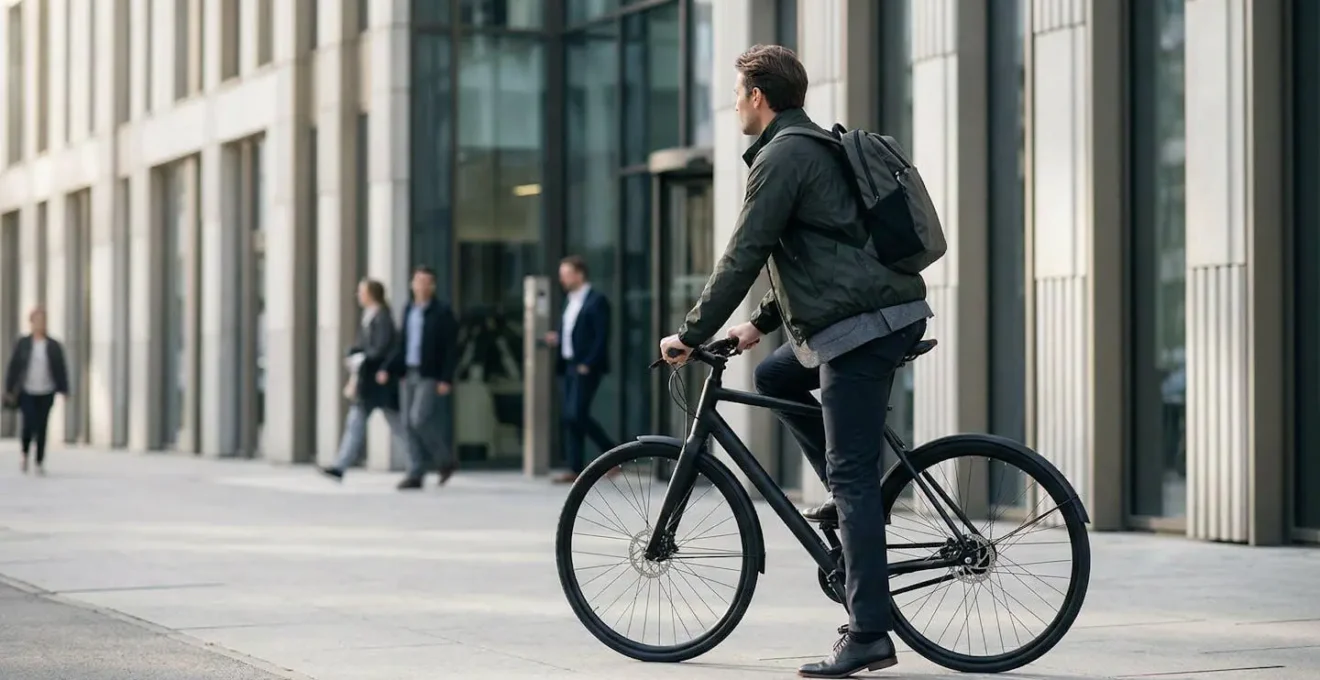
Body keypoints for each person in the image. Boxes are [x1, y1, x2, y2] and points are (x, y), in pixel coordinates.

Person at [657, 44, 931, 678]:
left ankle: (868, 632)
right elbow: (820, 256)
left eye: (736, 94)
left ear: (758, 96)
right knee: (776, 373)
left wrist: (688, 332)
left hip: (862, 328)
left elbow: (745, 253)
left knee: (854, 476)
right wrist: (756, 326)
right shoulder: (805, 148)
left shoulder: (783, 155)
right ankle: (845, 495)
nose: (732, 105)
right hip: (858, 316)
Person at [384, 266, 460, 490]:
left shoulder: (442, 312)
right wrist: (388, 368)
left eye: (427, 282)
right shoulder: (409, 310)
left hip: (430, 374)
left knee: (419, 418)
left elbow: (450, 349)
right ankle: (415, 472)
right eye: (418, 281)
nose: (422, 286)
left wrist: (446, 378)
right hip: (409, 371)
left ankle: (445, 459)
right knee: (407, 423)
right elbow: (402, 344)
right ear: (412, 285)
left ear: (433, 286)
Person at [320, 279, 403, 482]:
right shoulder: (369, 316)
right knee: (357, 423)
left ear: (371, 294)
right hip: (369, 382)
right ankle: (340, 466)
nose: (358, 295)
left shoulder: (382, 317)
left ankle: (420, 462)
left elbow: (382, 347)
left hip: (379, 381)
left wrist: (363, 357)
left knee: (399, 426)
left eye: (361, 292)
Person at [545, 255, 615, 483]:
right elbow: (573, 331)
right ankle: (575, 469)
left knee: (576, 414)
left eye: (566, 274)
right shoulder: (570, 301)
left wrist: (589, 363)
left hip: (586, 367)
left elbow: (601, 336)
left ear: (579, 274)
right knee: (571, 417)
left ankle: (612, 453)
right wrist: (558, 338)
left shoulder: (596, 300)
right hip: (567, 365)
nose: (562, 279)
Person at [3, 307, 70, 475]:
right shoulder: (23, 343)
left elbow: (60, 369)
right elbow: (14, 367)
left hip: (47, 391)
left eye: (43, 320)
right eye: (37, 320)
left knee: (42, 426)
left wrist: (64, 389)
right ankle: (25, 452)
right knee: (28, 423)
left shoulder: (53, 345)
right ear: (31, 322)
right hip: (27, 390)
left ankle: (39, 460)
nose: (40, 324)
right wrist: (9, 389)